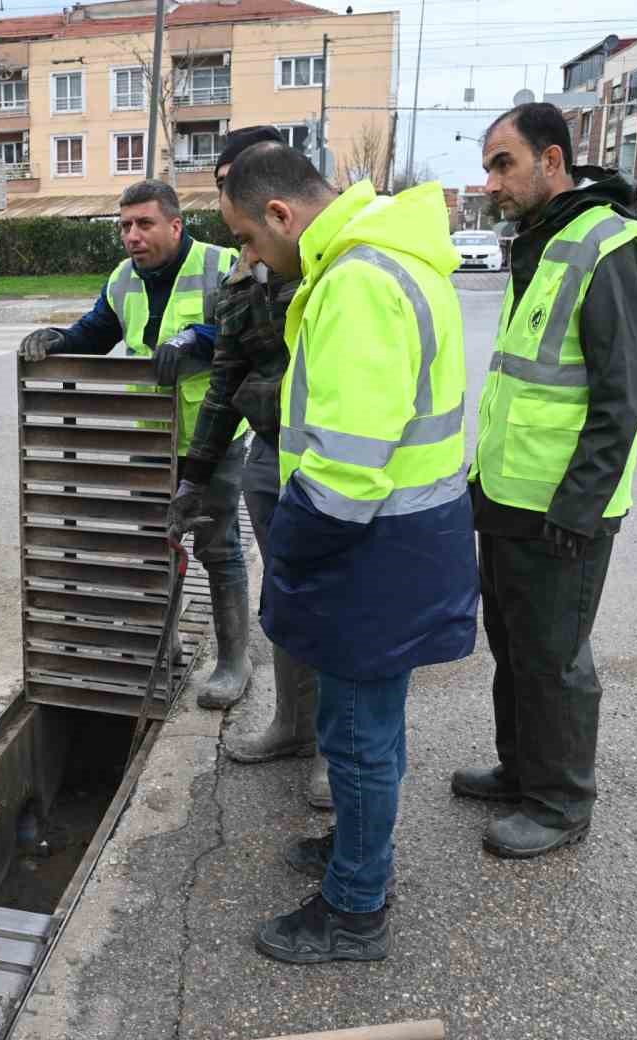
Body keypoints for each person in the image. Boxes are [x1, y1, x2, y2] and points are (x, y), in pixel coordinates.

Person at [220, 143, 477, 963]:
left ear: (281, 215)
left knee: (361, 735)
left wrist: (289, 556)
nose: (251, 259)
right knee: (361, 723)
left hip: (371, 546)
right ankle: (359, 856)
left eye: (251, 241)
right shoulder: (389, 254)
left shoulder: (360, 282)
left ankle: (356, 910)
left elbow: (345, 470)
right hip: (401, 538)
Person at [453, 103, 637, 859]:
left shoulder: (604, 244)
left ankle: (561, 801)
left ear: (552, 161)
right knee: (512, 643)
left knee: (555, 657)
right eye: (487, 167)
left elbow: (620, 394)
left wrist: (580, 505)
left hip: (564, 508)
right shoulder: (538, 241)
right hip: (509, 495)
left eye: (503, 164)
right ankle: (520, 770)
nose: (491, 182)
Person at [18, 181, 248, 709]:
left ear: (175, 224)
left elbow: (248, 331)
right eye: (124, 226)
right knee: (151, 546)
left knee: (218, 549)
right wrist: (57, 339)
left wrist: (196, 339)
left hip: (211, 438)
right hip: (149, 436)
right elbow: (97, 331)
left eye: (144, 224)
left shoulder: (221, 264)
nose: (132, 236)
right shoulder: (124, 278)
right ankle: (159, 650)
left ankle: (234, 662)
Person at [168, 125, 328, 809]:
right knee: (287, 599)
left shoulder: (331, 265)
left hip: (331, 456)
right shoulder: (242, 273)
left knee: (334, 607)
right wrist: (195, 476)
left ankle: (335, 750)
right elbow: (229, 374)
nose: (228, 204)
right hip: (268, 453)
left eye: (238, 186)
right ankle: (293, 726)